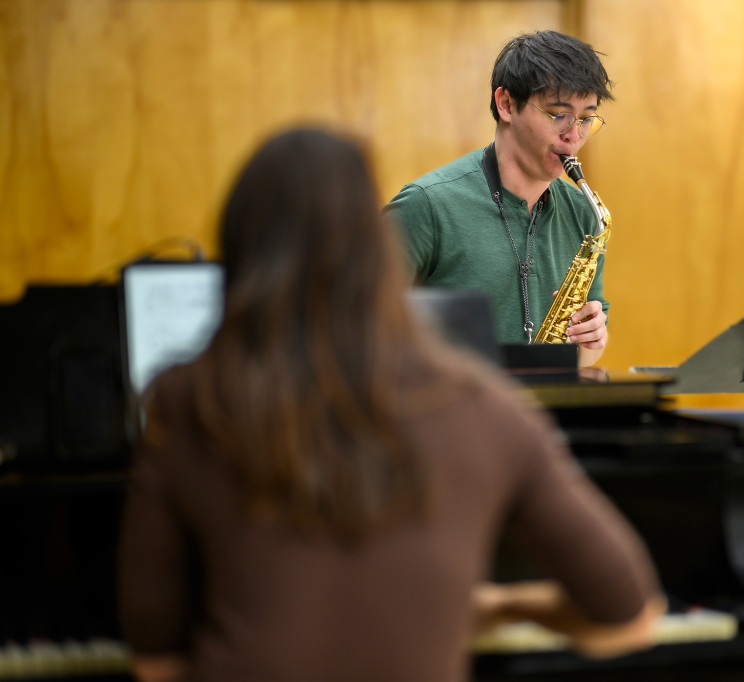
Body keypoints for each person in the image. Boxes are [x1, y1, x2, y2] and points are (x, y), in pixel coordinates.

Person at [117, 126, 664, 682]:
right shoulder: (483, 405)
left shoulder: (187, 401)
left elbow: (156, 660)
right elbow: (630, 617)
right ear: (381, 253)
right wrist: (499, 606)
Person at [384, 30, 613, 368]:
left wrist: (592, 337)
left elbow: (588, 352)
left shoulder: (585, 212)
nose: (573, 135)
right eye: (559, 115)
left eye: (585, 119)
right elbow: (351, 329)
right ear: (507, 104)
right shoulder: (426, 205)